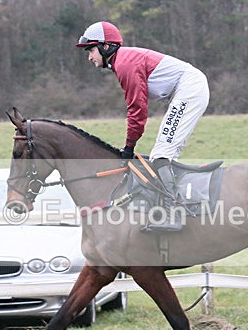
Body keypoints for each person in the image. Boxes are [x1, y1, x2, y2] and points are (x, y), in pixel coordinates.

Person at [76, 20, 210, 232]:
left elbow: (137, 110)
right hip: (188, 88)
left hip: (189, 88)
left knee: (162, 154)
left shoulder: (125, 63)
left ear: (106, 46)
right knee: (164, 154)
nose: (90, 57)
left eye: (91, 50)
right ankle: (174, 205)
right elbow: (137, 108)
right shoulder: (122, 61)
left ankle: (173, 214)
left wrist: (129, 147)